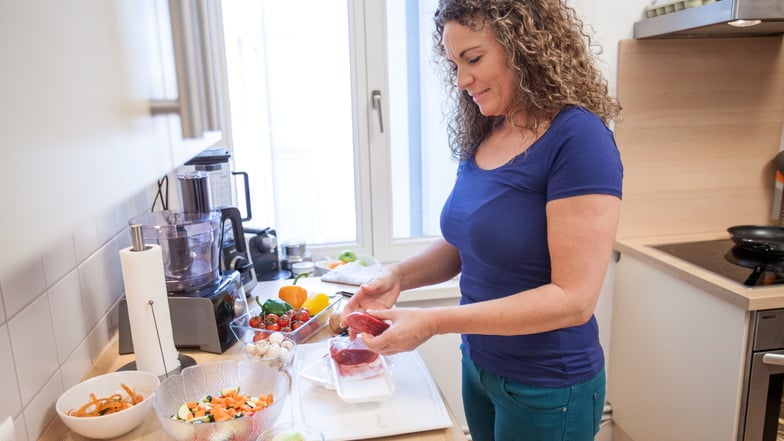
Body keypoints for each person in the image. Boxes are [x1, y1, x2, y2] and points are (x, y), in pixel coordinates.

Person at [341, 0, 622, 440]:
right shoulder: (490, 130)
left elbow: (573, 299)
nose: (461, 79)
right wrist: (397, 276)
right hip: (479, 366)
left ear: (525, 46)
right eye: (454, 64)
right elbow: (464, 243)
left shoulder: (578, 138)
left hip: (548, 387)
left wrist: (434, 321)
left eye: (473, 59)